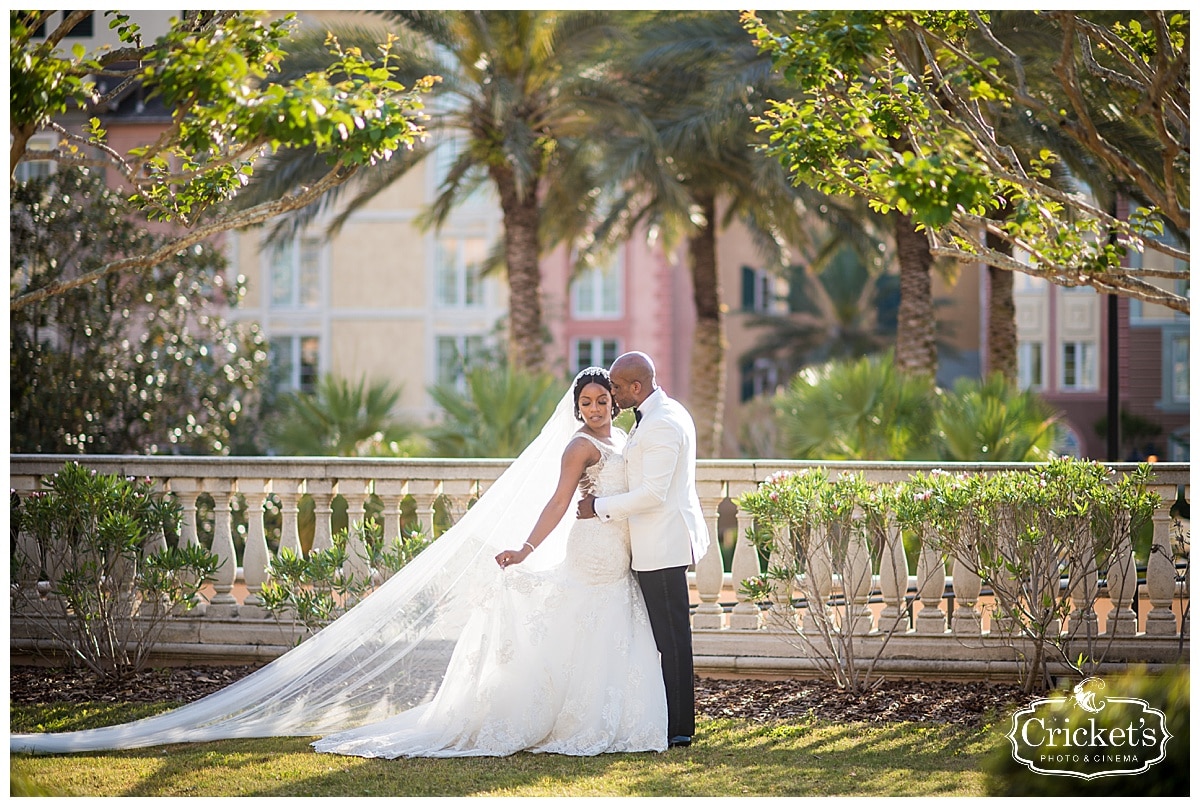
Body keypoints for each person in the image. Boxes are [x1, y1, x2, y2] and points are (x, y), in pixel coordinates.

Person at [11, 368, 666, 756]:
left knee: (610, 626)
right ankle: (566, 718)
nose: (595, 408)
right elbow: (556, 502)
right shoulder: (579, 448)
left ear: (617, 401)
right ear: (576, 409)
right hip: (587, 548)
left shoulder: (630, 437)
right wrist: (525, 547)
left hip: (621, 548)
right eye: (587, 402)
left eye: (603, 400)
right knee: (582, 619)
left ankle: (607, 715)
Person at [576, 351, 709, 749]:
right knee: (664, 639)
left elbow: (653, 494)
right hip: (651, 543)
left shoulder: (663, 423)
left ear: (636, 387)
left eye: (615, 388)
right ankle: (669, 718)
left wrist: (598, 507)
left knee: (672, 641)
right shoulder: (657, 414)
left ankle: (680, 728)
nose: (612, 395)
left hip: (662, 545)